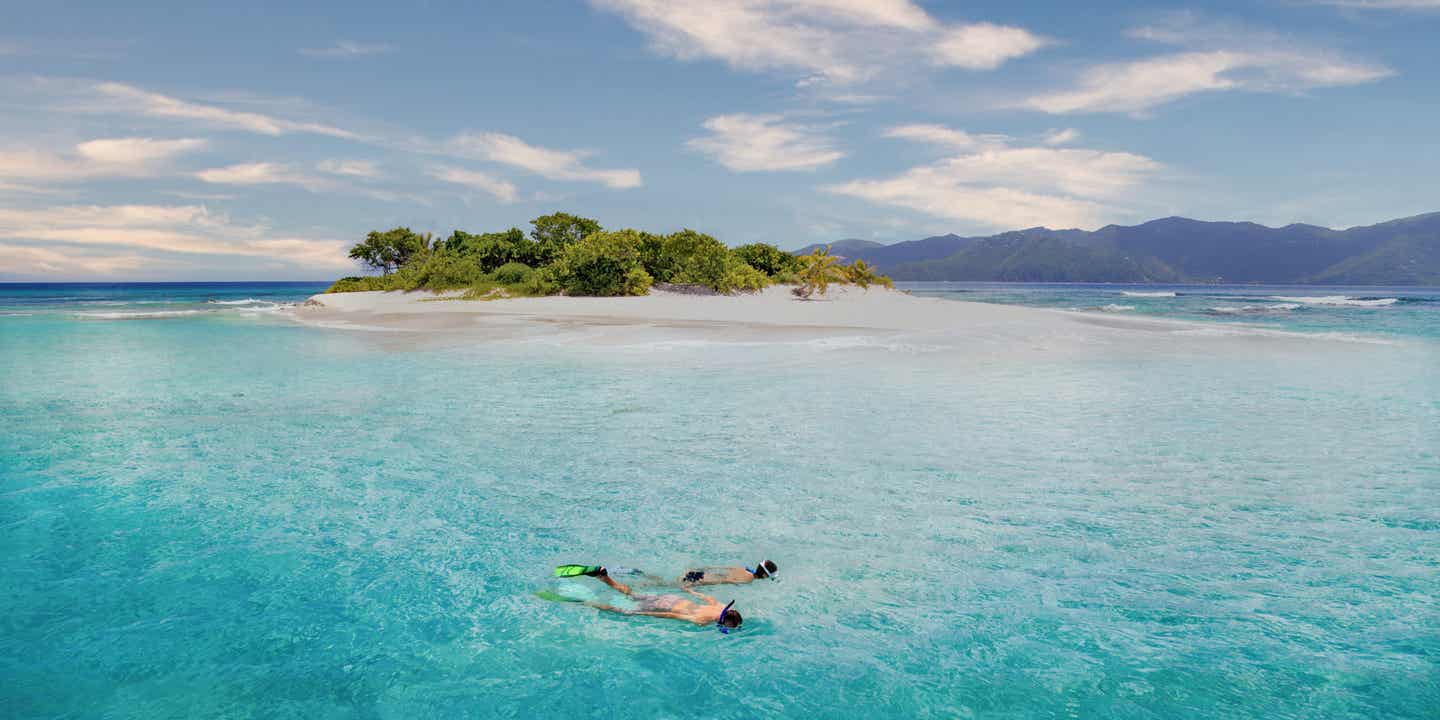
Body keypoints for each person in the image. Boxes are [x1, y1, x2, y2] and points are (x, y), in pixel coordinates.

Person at [586, 567, 743, 630]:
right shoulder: (701, 620)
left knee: (632, 595)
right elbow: (671, 615)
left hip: (672, 598)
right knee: (623, 611)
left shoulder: (722, 607)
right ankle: (588, 603)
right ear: (726, 622)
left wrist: (690, 592)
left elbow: (709, 598)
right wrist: (641, 614)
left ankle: (605, 577)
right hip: (665, 607)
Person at [679, 560, 777, 587]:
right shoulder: (749, 578)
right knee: (668, 585)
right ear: (764, 575)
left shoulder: (745, 569)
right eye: (768, 577)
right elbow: (724, 581)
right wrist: (700, 584)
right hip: (701, 579)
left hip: (701, 573)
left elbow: (722, 568)